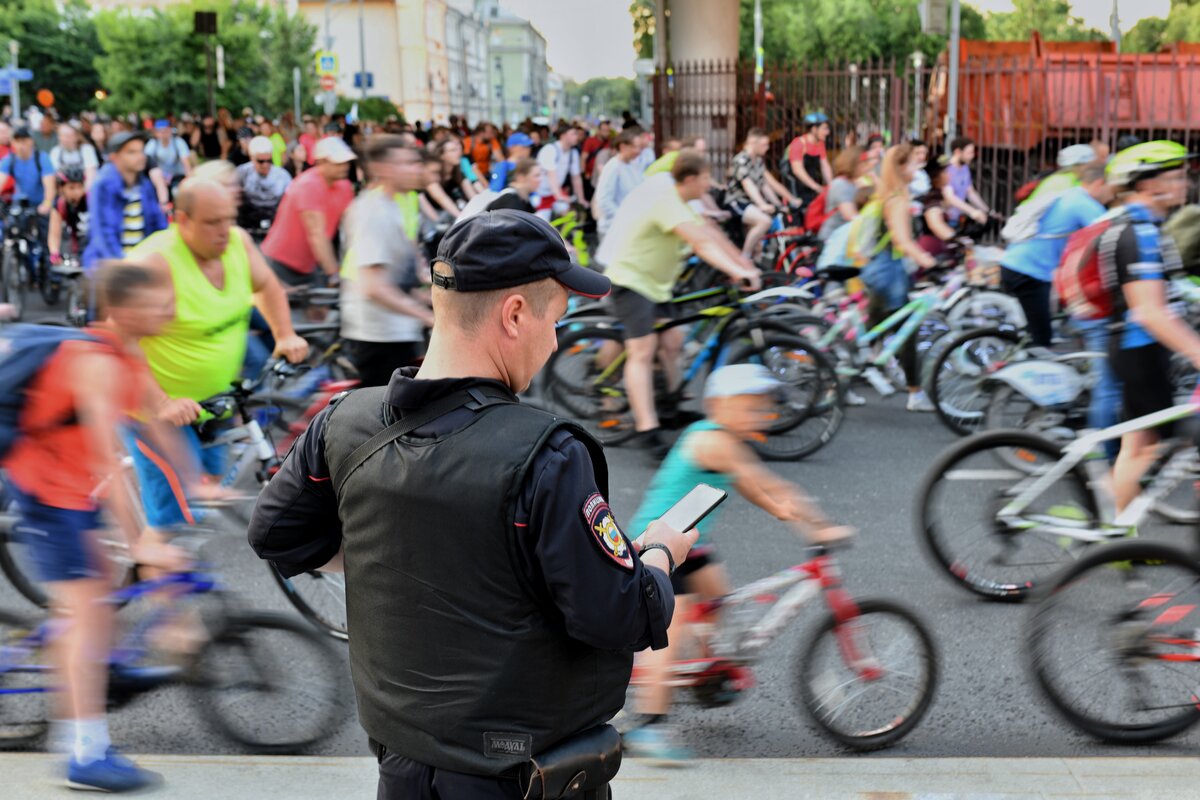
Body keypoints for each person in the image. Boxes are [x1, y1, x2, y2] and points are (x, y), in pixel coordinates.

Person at [248, 209, 696, 799]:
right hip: (520, 777)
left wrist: (397, 548)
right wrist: (661, 554)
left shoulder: (343, 420)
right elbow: (617, 615)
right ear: (514, 315)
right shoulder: (547, 455)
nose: (557, 339)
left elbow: (276, 534)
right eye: (556, 319)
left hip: (401, 765)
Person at [1, 262, 188, 792]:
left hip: (72, 487)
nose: (171, 311)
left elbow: (157, 424)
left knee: (98, 593)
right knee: (86, 611)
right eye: (161, 303)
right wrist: (143, 540)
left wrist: (201, 492)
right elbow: (111, 457)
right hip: (45, 491)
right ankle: (84, 753)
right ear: (124, 311)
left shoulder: (127, 354)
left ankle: (98, 661)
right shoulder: (96, 363)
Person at [623, 364, 854, 761]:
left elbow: (750, 485)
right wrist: (816, 527)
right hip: (657, 547)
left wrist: (784, 512)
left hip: (691, 543)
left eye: (762, 407)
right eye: (748, 406)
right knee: (672, 628)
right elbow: (766, 482)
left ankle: (704, 677)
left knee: (719, 602)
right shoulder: (713, 441)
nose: (759, 414)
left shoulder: (726, 441)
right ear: (718, 406)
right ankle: (648, 723)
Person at [124, 178, 308, 533]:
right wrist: (161, 401)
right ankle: (157, 565)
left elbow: (267, 285)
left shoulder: (238, 243)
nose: (224, 230)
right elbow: (119, 338)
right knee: (173, 525)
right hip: (157, 410)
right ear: (181, 220)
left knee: (209, 480)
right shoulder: (155, 264)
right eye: (212, 222)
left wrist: (284, 333)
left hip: (212, 401)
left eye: (228, 218)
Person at [597, 150, 763, 458]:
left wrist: (743, 262)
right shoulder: (667, 201)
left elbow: (710, 233)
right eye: (705, 179)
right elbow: (700, 243)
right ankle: (647, 428)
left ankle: (670, 408)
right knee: (642, 351)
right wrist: (737, 272)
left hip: (657, 284)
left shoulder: (681, 197)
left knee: (673, 341)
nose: (709, 185)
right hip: (632, 281)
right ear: (690, 179)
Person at [1100, 141, 1199, 512]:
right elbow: (1149, 312)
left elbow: (1169, 292)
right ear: (1147, 185)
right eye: (1174, 176)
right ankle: (1111, 526)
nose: (1183, 183)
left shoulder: (1142, 227)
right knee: (1149, 446)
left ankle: (1118, 531)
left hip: (1134, 348)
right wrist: (1196, 352)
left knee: (1138, 445)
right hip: (1140, 349)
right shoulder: (1139, 234)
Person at [340, 138, 434, 387]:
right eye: (406, 163)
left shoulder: (393, 204)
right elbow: (374, 286)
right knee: (386, 419)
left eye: (415, 162)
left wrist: (429, 296)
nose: (416, 168)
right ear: (382, 169)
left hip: (398, 330)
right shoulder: (372, 211)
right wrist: (425, 315)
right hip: (378, 335)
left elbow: (402, 273)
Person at [860, 144, 938, 412]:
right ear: (902, 168)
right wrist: (927, 260)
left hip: (881, 270)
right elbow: (902, 240)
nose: (918, 168)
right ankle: (915, 394)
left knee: (875, 330)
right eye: (914, 164)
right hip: (889, 273)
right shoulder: (897, 200)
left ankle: (845, 373)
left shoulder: (888, 194)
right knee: (906, 333)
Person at [999, 161, 1111, 347]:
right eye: (1110, 189)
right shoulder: (1083, 204)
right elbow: (1108, 235)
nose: (1110, 195)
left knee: (1042, 323)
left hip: (1016, 264)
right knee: (1042, 339)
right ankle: (1025, 369)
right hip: (1029, 272)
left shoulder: (1070, 194)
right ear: (1099, 184)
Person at [260, 136, 356, 288]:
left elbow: (353, 224)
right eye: (338, 163)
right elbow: (317, 234)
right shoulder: (308, 185)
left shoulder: (344, 186)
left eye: (345, 162)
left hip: (310, 264)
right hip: (280, 263)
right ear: (321, 162)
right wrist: (334, 274)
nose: (344, 166)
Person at [83, 132, 169, 272]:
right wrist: (121, 267)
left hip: (141, 267)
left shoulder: (144, 185)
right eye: (131, 152)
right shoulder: (103, 185)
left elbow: (157, 224)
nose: (140, 156)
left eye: (141, 151)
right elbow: (103, 233)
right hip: (111, 271)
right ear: (114, 157)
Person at [725, 128, 797, 258]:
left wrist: (779, 205)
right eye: (764, 145)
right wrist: (762, 204)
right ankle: (744, 258)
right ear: (752, 142)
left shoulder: (757, 161)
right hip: (737, 202)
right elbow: (748, 185)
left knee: (759, 246)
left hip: (751, 204)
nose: (767, 148)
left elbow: (764, 186)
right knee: (764, 221)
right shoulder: (740, 160)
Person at [592, 128, 645, 238]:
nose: (638, 151)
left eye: (640, 147)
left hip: (630, 226)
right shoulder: (613, 167)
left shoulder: (633, 166)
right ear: (623, 146)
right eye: (635, 147)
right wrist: (624, 217)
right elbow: (604, 199)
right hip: (613, 229)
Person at [236, 136, 292, 232]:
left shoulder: (282, 176)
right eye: (260, 161)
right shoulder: (242, 172)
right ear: (251, 158)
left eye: (269, 160)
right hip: (249, 220)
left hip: (276, 219)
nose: (265, 165)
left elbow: (290, 201)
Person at [0, 126, 57, 221]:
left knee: (45, 229)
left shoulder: (42, 158)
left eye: (24, 141)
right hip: (20, 203)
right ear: (13, 142)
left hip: (41, 204)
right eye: (17, 141)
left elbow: (50, 186)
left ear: (31, 141)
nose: (21, 145)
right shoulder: (9, 160)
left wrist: (47, 203)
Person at [535, 124, 588, 220]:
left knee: (571, 216)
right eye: (573, 134)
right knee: (542, 222)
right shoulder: (550, 150)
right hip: (540, 194)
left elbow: (576, 178)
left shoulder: (573, 153)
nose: (577, 136)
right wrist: (559, 195)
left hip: (555, 192)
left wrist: (581, 198)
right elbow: (551, 174)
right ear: (563, 136)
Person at [818, 147, 863, 241]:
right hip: (832, 239)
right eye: (863, 163)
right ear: (853, 164)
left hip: (845, 237)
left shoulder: (855, 183)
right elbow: (850, 215)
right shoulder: (840, 184)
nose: (868, 166)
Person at [425, 137, 477, 219]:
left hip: (457, 213)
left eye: (457, 149)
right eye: (452, 150)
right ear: (441, 155)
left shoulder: (457, 172)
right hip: (439, 218)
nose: (458, 152)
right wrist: (463, 218)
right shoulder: (432, 174)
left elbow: (473, 197)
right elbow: (441, 198)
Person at [787, 112, 832, 207]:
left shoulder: (820, 144)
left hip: (812, 187)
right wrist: (817, 187)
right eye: (824, 129)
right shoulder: (799, 143)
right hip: (797, 190)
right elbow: (797, 170)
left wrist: (831, 186)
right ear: (814, 129)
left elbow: (825, 166)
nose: (827, 132)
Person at [942, 137, 990, 226]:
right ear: (957, 152)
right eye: (969, 153)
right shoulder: (947, 170)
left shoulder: (965, 168)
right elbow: (949, 197)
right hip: (945, 219)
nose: (972, 156)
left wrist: (988, 211)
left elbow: (971, 193)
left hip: (956, 218)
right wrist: (972, 211)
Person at [48, 167, 89, 265]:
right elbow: (54, 233)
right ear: (61, 188)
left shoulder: (92, 200)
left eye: (80, 187)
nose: (77, 192)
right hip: (77, 249)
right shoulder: (60, 205)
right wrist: (54, 253)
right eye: (71, 188)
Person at [144, 120, 192, 197]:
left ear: (170, 130)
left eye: (166, 130)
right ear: (156, 133)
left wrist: (189, 179)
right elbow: (146, 160)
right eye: (160, 131)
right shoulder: (153, 143)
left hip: (178, 176)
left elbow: (186, 163)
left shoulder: (178, 142)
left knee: (177, 193)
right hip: (160, 177)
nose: (163, 133)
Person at [50, 124, 100, 189]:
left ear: (76, 136)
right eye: (62, 135)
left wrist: (84, 194)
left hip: (84, 189)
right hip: (63, 191)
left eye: (68, 136)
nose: (64, 139)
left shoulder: (86, 149)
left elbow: (91, 174)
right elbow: (52, 175)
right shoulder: (55, 151)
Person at [582, 118, 613, 187]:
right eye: (604, 130)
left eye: (608, 131)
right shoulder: (590, 141)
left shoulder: (611, 142)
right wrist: (584, 173)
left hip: (604, 175)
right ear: (598, 131)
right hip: (590, 175)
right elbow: (583, 158)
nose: (607, 133)